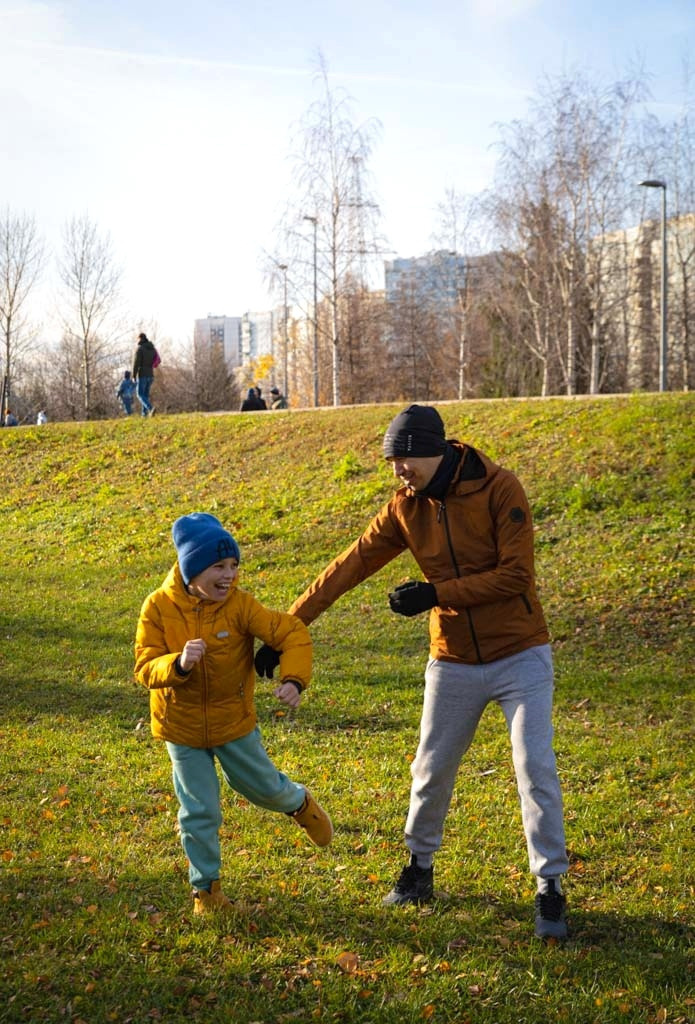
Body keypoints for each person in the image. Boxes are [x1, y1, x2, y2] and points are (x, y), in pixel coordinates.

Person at [255, 404, 569, 939]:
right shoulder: (406, 507)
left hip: (521, 653)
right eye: (391, 461)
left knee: (533, 768)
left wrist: (437, 593)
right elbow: (348, 566)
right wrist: (285, 629)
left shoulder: (500, 489)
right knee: (430, 768)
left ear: (436, 449)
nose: (398, 470)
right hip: (453, 660)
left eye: (405, 459)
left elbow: (516, 577)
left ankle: (550, 889)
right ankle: (419, 870)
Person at [134, 512, 333, 915]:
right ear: (192, 568)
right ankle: (206, 893)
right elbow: (144, 668)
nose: (229, 575)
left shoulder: (240, 606)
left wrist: (294, 680)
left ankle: (298, 802)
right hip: (181, 728)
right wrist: (178, 664)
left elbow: (291, 632)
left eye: (234, 566)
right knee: (199, 810)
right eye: (218, 567)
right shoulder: (157, 607)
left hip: (233, 724)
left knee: (263, 788)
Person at [132, 332, 157, 416]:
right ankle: (144, 414)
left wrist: (134, 375)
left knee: (140, 394)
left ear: (140, 339)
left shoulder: (140, 349)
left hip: (142, 374)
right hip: (151, 374)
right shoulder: (152, 349)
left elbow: (136, 363)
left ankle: (150, 408)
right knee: (145, 395)